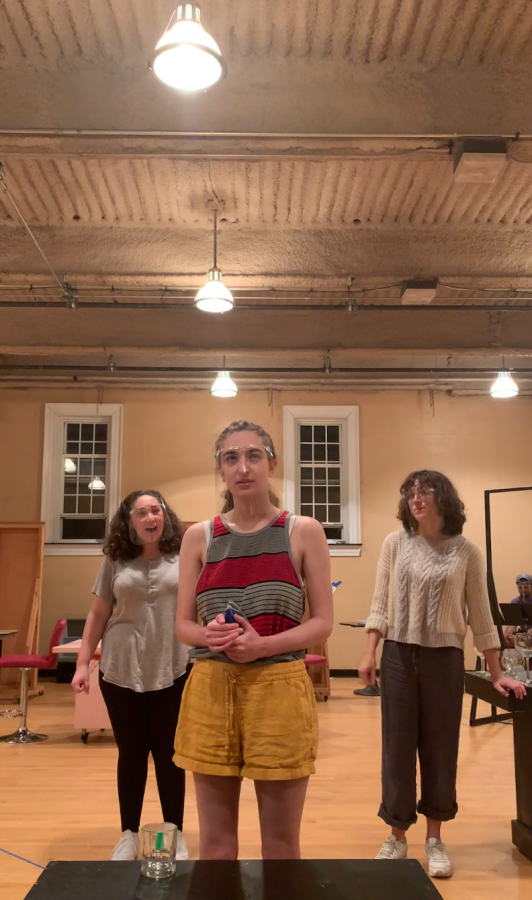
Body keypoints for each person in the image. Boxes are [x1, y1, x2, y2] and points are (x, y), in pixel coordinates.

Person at [174, 419, 333, 860]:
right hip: (210, 689)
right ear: (221, 471)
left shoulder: (302, 531)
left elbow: (322, 622)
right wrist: (209, 634)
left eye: (253, 456)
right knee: (216, 844)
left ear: (271, 464)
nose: (242, 467)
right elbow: (183, 627)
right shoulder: (198, 537)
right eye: (231, 458)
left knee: (280, 845)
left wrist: (261, 645)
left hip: (278, 687)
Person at [358, 470, 527, 879]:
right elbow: (379, 602)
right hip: (398, 655)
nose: (416, 498)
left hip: (445, 659)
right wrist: (370, 652)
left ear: (442, 498)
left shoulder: (466, 552)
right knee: (397, 748)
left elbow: (481, 615)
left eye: (425, 490)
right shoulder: (394, 544)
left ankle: (434, 838)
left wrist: (496, 671)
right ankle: (397, 836)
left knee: (439, 748)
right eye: (409, 492)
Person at [72, 490, 189, 861]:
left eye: (157, 510)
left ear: (165, 516)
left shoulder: (186, 557)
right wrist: (81, 663)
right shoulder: (115, 560)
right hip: (121, 668)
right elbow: (98, 614)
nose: (151, 517)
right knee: (132, 753)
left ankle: (175, 832)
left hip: (174, 666)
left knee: (171, 754)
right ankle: (128, 833)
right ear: (130, 522)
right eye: (142, 512)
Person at [504, 573, 532, 647]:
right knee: (505, 641)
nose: (523, 590)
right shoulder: (515, 602)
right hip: (522, 634)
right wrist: (507, 635)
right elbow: (513, 623)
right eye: (520, 587)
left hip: (530, 633)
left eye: (526, 587)